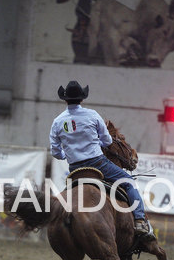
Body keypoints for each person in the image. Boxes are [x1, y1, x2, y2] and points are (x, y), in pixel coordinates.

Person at [49, 80, 150, 236]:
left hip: (75, 169)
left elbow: (56, 152)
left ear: (65, 100)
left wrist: (66, 154)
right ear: (82, 99)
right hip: (98, 163)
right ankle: (140, 220)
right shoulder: (92, 115)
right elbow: (108, 141)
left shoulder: (57, 122)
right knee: (128, 182)